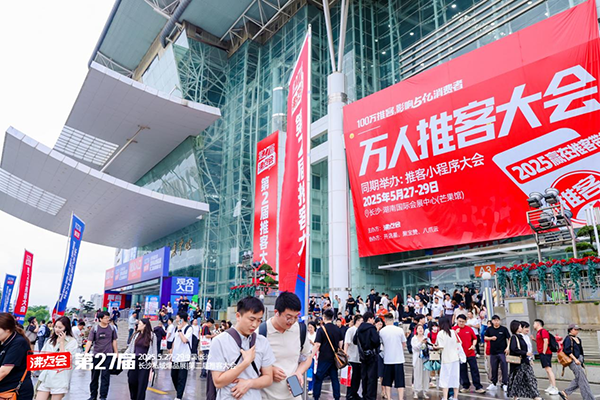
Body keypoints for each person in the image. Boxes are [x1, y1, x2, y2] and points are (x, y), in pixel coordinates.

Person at [206, 296, 275, 400]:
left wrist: (249, 383)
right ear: (238, 316)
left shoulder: (262, 342)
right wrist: (245, 363)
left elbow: (268, 378)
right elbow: (218, 382)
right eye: (251, 319)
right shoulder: (219, 341)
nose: (255, 325)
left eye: (259, 320)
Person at [259, 292, 312, 400]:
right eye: (288, 317)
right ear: (276, 313)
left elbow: (307, 357)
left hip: (294, 396)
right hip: (267, 396)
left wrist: (298, 372)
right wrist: (269, 370)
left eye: (296, 317)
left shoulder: (299, 330)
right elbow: (250, 364)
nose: (292, 321)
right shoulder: (261, 332)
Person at [35, 316, 79, 400]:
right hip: (46, 377)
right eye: (55, 327)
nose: (57, 329)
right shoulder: (50, 340)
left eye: (60, 327)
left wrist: (62, 342)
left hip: (59, 379)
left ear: (66, 328)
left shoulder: (72, 342)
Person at [85, 310, 118, 400]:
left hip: (108, 356)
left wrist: (116, 353)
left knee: (105, 377)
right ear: (100, 319)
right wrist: (86, 353)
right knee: (94, 377)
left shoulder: (112, 328)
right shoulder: (95, 329)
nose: (108, 319)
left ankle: (103, 396)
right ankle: (93, 396)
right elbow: (89, 341)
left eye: (108, 317)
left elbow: (114, 341)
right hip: (96, 356)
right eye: (106, 318)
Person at [0, 313, 34, 399]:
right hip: (5, 390)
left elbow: (3, 371)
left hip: (16, 392)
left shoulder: (18, 343)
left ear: (7, 329)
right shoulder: (4, 341)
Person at [312, 309, 343, 400]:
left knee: (319, 378)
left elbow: (317, 344)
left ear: (324, 317)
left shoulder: (321, 329)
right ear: (332, 318)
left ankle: (316, 396)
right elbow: (340, 343)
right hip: (334, 358)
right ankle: (337, 397)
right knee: (334, 379)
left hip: (324, 357)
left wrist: (311, 355)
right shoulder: (337, 329)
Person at [506, 320, 540, 400]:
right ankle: (515, 396)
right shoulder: (514, 337)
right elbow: (514, 349)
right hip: (518, 363)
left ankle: (535, 396)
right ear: (516, 327)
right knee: (517, 380)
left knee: (531, 379)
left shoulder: (521, 337)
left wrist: (529, 357)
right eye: (520, 326)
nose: (521, 328)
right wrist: (525, 353)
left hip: (525, 362)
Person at [559, 324, 594, 400]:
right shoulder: (568, 339)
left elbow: (581, 351)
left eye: (578, 329)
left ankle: (565, 392)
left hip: (579, 360)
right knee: (583, 381)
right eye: (575, 329)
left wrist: (581, 361)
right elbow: (567, 351)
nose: (577, 331)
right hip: (573, 361)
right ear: (570, 330)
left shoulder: (578, 339)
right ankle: (588, 398)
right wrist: (575, 359)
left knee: (580, 379)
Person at [125, 318, 157, 400]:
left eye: (139, 324)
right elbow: (130, 348)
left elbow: (154, 350)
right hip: (134, 360)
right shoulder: (136, 335)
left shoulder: (152, 336)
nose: (138, 325)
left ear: (145, 325)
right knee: (131, 381)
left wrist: (154, 363)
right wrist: (123, 357)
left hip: (145, 362)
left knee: (142, 384)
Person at [453, 314, 485, 394]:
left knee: (474, 369)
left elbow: (474, 338)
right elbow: (450, 341)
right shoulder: (453, 330)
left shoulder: (469, 329)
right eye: (460, 321)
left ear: (466, 321)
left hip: (470, 353)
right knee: (462, 370)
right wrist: (455, 333)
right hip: (460, 354)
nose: (461, 323)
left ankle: (478, 386)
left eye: (463, 322)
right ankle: (465, 386)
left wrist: (473, 345)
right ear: (457, 321)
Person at [379, 313, 406, 400]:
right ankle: (400, 398)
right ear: (393, 320)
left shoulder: (382, 331)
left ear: (385, 321)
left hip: (387, 359)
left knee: (387, 381)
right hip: (399, 359)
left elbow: (381, 344)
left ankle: (389, 397)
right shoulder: (399, 330)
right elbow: (404, 343)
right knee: (400, 381)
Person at [354, 312, 379, 400]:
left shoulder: (359, 329)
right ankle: (370, 396)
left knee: (364, 377)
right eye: (373, 319)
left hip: (362, 356)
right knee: (372, 377)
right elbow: (376, 341)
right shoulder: (372, 328)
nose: (373, 321)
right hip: (371, 355)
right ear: (369, 319)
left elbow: (354, 340)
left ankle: (364, 395)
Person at [435, 317, 460, 400]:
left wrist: (435, 347)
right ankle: (455, 397)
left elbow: (441, 346)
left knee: (445, 378)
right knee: (455, 377)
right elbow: (459, 342)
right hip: (455, 358)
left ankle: (445, 397)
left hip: (446, 358)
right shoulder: (453, 332)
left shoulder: (440, 333)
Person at [533, 319, 559, 395]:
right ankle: (551, 385)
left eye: (534, 323)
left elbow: (546, 341)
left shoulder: (543, 331)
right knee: (547, 370)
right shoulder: (538, 332)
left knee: (549, 370)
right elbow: (541, 342)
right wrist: (534, 340)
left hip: (546, 353)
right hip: (542, 353)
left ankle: (554, 387)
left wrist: (544, 352)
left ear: (538, 324)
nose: (533, 325)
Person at [170, 311, 193, 400]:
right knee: (173, 375)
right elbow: (174, 341)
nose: (176, 320)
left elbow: (184, 340)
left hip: (184, 357)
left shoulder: (189, 328)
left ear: (182, 319)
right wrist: (171, 354)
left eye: (177, 318)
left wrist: (180, 330)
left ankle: (178, 397)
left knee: (181, 377)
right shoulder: (176, 328)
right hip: (176, 357)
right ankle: (180, 390)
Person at [484, 315, 509, 391]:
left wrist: (508, 348)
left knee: (504, 368)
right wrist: (491, 338)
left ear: (500, 321)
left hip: (502, 352)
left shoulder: (504, 329)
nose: (496, 322)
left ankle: (505, 383)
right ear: (492, 321)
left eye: (498, 320)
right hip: (493, 352)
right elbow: (485, 337)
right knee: (493, 368)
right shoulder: (489, 329)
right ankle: (493, 383)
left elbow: (509, 338)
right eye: (495, 320)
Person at [344, 315, 362, 400]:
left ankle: (355, 393)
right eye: (361, 321)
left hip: (359, 358)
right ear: (357, 321)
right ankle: (350, 394)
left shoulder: (361, 330)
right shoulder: (350, 330)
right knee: (351, 378)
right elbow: (347, 342)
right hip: (351, 357)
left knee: (357, 377)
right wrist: (345, 352)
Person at [411, 324, 430, 399]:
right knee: (417, 375)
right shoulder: (414, 338)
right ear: (416, 330)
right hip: (417, 358)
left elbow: (430, 346)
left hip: (425, 358)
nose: (420, 330)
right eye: (419, 328)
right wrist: (421, 342)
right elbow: (415, 348)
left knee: (426, 375)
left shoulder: (426, 338)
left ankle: (425, 391)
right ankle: (416, 391)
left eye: (421, 328)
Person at [306, 322, 317, 395]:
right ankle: (309, 386)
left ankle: (311, 388)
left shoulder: (316, 335)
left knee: (312, 371)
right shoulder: (307, 335)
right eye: (309, 327)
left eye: (311, 327)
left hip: (314, 356)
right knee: (308, 371)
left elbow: (317, 345)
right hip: (307, 355)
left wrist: (312, 343)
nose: (310, 329)